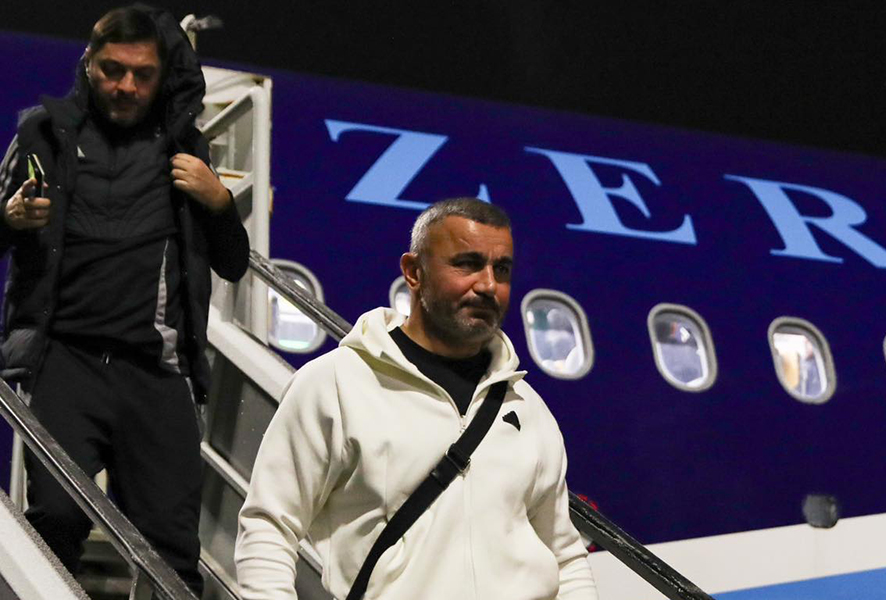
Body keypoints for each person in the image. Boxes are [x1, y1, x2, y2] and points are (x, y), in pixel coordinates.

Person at [0, 5, 249, 594]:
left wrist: (219, 201)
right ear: (89, 64)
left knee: (171, 548)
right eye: (112, 70)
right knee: (55, 522)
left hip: (156, 370)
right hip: (65, 362)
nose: (126, 86)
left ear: (163, 76)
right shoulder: (42, 133)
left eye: (142, 74)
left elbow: (233, 263)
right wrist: (7, 218)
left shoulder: (186, 146)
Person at [235, 198, 597, 599]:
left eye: (502, 269)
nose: (488, 285)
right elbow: (270, 527)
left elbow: (565, 556)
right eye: (467, 264)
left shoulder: (526, 406)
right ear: (413, 272)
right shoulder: (335, 383)